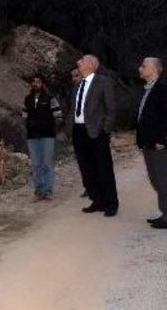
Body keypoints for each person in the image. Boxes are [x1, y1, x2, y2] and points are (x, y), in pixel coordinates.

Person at [65, 55, 118, 217]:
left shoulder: (104, 82)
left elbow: (111, 109)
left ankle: (111, 203)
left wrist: (105, 129)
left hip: (96, 132)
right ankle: (97, 200)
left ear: (90, 64)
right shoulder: (77, 85)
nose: (78, 62)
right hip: (78, 132)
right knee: (86, 168)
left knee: (103, 167)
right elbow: (73, 108)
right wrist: (69, 128)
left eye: (81, 60)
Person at [135, 57, 167, 229]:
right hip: (148, 142)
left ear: (154, 69)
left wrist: (163, 139)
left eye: (144, 66)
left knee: (164, 179)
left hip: (159, 144)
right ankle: (165, 213)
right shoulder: (147, 89)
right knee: (155, 178)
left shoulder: (164, 89)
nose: (140, 69)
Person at [22, 74, 63, 200]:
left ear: (43, 84)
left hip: (47, 136)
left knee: (47, 163)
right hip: (32, 136)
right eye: (33, 82)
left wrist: (52, 128)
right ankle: (38, 191)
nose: (35, 84)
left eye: (38, 82)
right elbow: (24, 116)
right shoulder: (27, 99)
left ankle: (48, 190)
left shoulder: (50, 98)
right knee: (36, 165)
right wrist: (28, 126)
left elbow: (58, 116)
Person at [67, 67, 90, 198]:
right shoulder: (74, 92)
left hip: (89, 129)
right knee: (82, 160)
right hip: (77, 130)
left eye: (76, 76)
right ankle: (88, 186)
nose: (73, 79)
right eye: (72, 76)